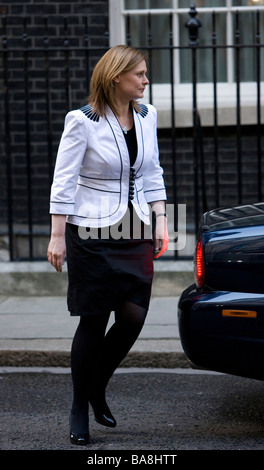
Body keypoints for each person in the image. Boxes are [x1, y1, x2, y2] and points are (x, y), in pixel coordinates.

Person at [47, 45, 169, 446]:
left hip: (134, 227)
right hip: (90, 231)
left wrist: (161, 220)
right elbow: (64, 180)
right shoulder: (82, 121)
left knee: (134, 316)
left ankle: (97, 385)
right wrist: (57, 235)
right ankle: (80, 406)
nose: (146, 81)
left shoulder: (147, 115)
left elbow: (152, 170)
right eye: (140, 75)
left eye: (146, 74)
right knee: (94, 320)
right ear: (116, 76)